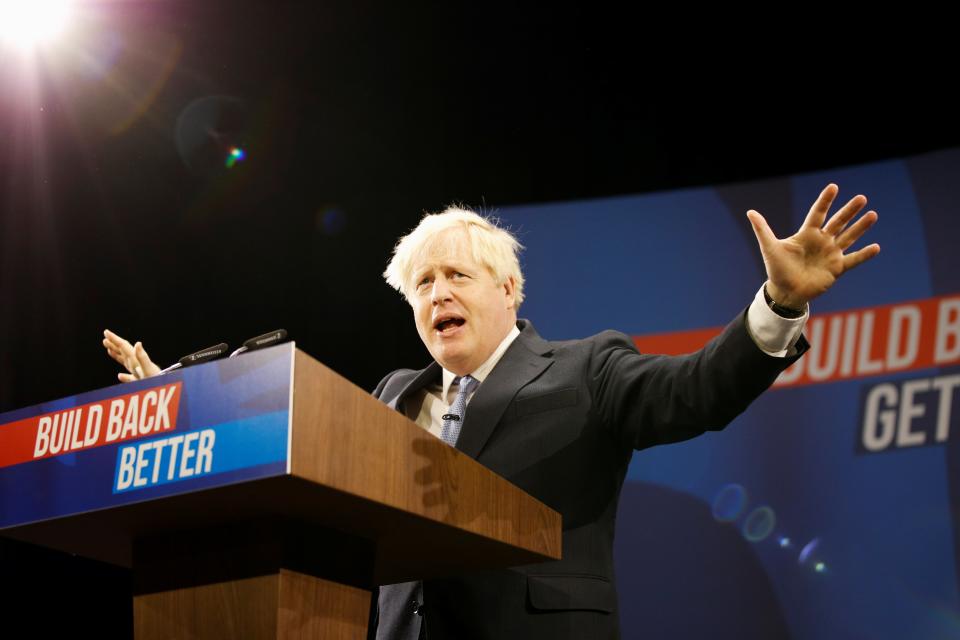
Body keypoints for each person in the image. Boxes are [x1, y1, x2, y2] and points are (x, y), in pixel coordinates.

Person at [104, 184, 879, 639]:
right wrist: (182, 404)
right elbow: (287, 452)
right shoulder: (387, 398)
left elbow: (697, 390)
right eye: (422, 286)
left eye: (455, 276)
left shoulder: (587, 366)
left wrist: (777, 304)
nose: (437, 294)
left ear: (508, 291)